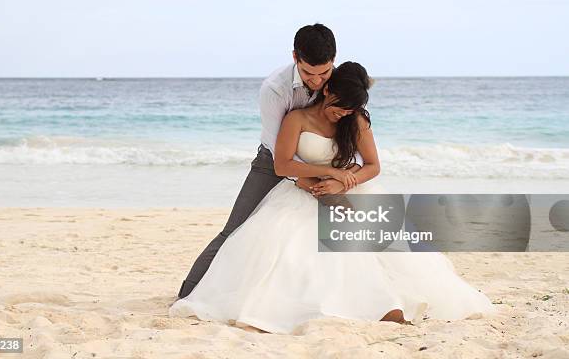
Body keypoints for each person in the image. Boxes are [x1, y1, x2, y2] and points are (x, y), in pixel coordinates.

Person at [170, 62, 496, 334]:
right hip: (300, 188)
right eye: (339, 106)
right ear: (327, 91)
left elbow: (372, 166)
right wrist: (329, 173)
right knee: (288, 249)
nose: (342, 114)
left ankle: (383, 304)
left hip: (344, 191)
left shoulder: (355, 120)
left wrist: (343, 183)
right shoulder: (295, 117)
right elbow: (283, 164)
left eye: (350, 110)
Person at [177, 23, 364, 298]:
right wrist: (311, 178)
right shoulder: (275, 89)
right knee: (236, 227)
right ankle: (188, 293)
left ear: (333, 61)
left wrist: (348, 173)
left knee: (353, 223)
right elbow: (280, 156)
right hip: (275, 161)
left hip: (328, 164)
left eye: (323, 72)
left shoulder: (342, 83)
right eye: (308, 73)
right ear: (294, 58)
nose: (317, 81)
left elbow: (357, 135)